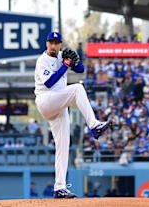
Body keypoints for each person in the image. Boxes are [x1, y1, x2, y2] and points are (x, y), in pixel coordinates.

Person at [34, 31, 110, 198]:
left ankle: (59, 187)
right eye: (51, 42)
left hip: (59, 104)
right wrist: (66, 66)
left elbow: (81, 69)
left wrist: (75, 61)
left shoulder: (62, 56)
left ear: (60, 44)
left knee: (63, 146)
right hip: (46, 100)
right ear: (47, 44)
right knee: (77, 88)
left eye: (57, 42)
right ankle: (94, 125)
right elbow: (49, 82)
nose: (54, 45)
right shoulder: (42, 60)